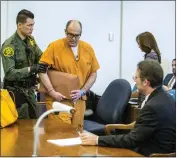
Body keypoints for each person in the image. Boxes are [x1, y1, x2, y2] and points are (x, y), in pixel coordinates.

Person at [80, 60, 176, 157]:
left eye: (136, 77)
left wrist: (97, 140)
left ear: (145, 82)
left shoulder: (152, 107)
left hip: (148, 154)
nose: (135, 80)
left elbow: (132, 140)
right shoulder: (167, 98)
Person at [39, 20, 100, 131]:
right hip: (58, 100)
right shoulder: (54, 46)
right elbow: (42, 71)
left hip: (79, 100)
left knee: (77, 134)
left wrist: (83, 90)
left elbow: (93, 73)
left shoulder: (88, 48)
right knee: (60, 133)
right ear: (65, 31)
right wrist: (52, 91)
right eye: (70, 34)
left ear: (80, 34)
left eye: (76, 35)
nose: (73, 38)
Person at [1, 9, 45, 119]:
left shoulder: (31, 40)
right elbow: (10, 73)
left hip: (30, 91)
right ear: (19, 25)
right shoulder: (9, 46)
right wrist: (31, 69)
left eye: (33, 25)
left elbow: (41, 56)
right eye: (29, 25)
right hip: (16, 94)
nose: (32, 28)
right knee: (21, 129)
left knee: (34, 122)